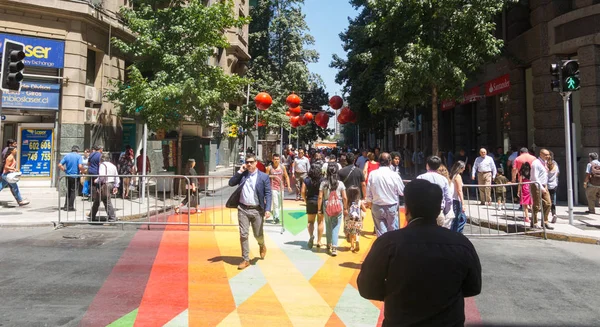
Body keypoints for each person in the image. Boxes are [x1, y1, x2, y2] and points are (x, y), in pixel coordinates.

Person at [357, 179, 482, 326]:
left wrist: (395, 293)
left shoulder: (388, 243)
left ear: (407, 209)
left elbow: (367, 287)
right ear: (438, 210)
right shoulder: (461, 243)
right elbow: (473, 286)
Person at [228, 154, 271, 270]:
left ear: (256, 162)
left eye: (251, 162)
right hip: (243, 209)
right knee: (243, 234)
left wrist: (267, 209)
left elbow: (268, 193)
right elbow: (231, 183)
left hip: (257, 210)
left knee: (258, 234)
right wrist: (239, 171)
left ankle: (261, 245)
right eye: (247, 162)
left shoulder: (263, 177)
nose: (249, 164)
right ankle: (245, 259)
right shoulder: (243, 175)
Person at [366, 153, 405, 236]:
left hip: (377, 206)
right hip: (392, 206)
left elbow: (368, 191)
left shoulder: (373, 174)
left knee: (381, 233)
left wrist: (369, 202)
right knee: (393, 232)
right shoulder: (395, 175)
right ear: (390, 162)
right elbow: (402, 191)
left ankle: (383, 247)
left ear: (379, 162)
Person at [318, 164, 347, 256]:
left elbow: (320, 197)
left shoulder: (323, 183)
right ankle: (334, 247)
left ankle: (328, 244)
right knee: (336, 226)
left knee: (328, 224)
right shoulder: (340, 184)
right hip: (338, 204)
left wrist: (319, 210)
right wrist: (345, 208)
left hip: (327, 204)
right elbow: (345, 197)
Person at [417, 156, 452, 226]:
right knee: (438, 236)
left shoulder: (420, 178)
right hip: (438, 211)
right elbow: (448, 198)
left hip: (423, 213)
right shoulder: (443, 179)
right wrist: (445, 211)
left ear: (427, 165)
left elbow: (415, 195)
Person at [90, 153, 119, 222]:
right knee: (98, 200)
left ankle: (112, 217)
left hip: (105, 185)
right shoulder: (113, 166)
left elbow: (102, 175)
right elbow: (116, 177)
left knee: (106, 201)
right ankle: (92, 215)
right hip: (111, 184)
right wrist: (116, 186)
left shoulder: (102, 165)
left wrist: (96, 180)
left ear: (102, 159)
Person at [302, 163, 324, 249]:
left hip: (310, 201)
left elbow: (303, 191)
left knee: (310, 222)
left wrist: (305, 200)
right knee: (320, 222)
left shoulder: (306, 180)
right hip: (320, 201)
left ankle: (311, 236)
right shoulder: (322, 180)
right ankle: (319, 241)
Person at [530, 149, 553, 230]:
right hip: (536, 185)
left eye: (548, 155)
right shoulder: (536, 163)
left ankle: (545, 222)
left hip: (544, 184)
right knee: (536, 205)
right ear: (540, 154)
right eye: (546, 155)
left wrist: (545, 186)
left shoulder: (545, 163)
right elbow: (534, 177)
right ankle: (534, 222)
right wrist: (541, 187)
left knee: (548, 203)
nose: (548, 156)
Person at [266, 153, 292, 224]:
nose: (276, 161)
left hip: (281, 188)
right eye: (275, 159)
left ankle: (275, 213)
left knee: (280, 204)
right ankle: (276, 217)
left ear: (279, 159)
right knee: (275, 203)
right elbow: (265, 178)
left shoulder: (282, 167)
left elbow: (286, 176)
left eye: (277, 159)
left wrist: (289, 186)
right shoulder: (269, 168)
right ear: (272, 160)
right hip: (273, 188)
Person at [58, 145, 84, 211]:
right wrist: (83, 171)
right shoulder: (79, 156)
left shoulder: (67, 156)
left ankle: (66, 205)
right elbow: (80, 166)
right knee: (73, 191)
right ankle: (70, 206)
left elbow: (60, 165)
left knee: (68, 191)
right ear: (77, 150)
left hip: (68, 176)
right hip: (75, 176)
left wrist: (65, 170)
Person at [345, 185, 366, 252]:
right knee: (357, 232)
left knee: (351, 232)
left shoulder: (348, 202)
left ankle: (352, 246)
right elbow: (364, 210)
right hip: (358, 219)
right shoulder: (359, 201)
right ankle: (357, 241)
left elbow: (346, 209)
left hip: (350, 219)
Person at [449, 161, 467, 233]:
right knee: (460, 219)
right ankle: (456, 234)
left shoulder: (452, 175)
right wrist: (463, 203)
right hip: (456, 200)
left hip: (453, 199)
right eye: (463, 168)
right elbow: (459, 190)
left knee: (458, 218)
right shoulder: (458, 176)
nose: (464, 169)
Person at [437, 164, 454, 229]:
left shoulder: (438, 184)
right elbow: (449, 199)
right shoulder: (450, 183)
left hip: (441, 210)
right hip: (449, 211)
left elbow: (448, 198)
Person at [547, 155, 559, 223]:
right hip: (554, 184)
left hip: (546, 185)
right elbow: (557, 173)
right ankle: (554, 214)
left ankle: (546, 216)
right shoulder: (555, 165)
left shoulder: (545, 165)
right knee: (552, 200)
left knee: (546, 201)